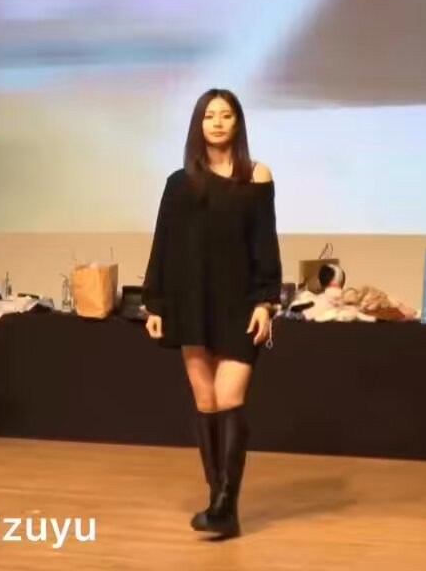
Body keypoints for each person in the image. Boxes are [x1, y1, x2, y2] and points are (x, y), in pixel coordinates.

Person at [142, 88, 281, 539]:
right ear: (198, 125)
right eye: (209, 116)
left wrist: (265, 302)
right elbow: (163, 245)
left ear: (238, 123)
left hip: (240, 304)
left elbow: (265, 243)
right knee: (205, 402)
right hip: (190, 302)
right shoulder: (178, 183)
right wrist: (155, 304)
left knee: (230, 397)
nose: (217, 122)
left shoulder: (256, 176)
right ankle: (218, 500)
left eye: (226, 115)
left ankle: (225, 503)